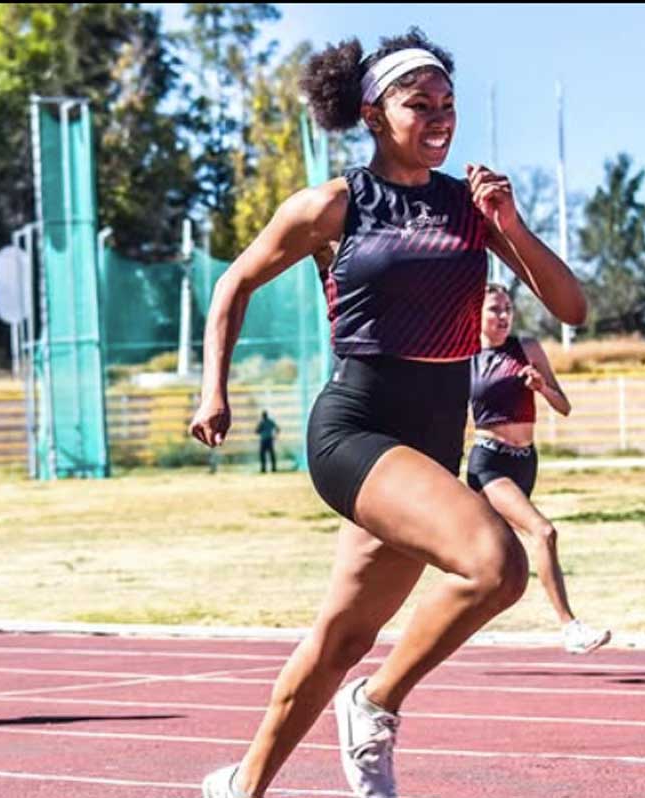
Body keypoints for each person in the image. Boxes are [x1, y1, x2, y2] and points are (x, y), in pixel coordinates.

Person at [191, 28, 586, 798]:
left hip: (432, 443)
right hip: (357, 430)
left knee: (342, 636)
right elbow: (233, 283)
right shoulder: (335, 204)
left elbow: (569, 304)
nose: (439, 118)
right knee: (497, 565)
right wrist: (215, 388)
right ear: (373, 113)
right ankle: (374, 704)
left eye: (448, 104)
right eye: (419, 104)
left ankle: (242, 786)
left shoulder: (470, 208)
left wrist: (508, 223)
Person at [469, 284, 610, 654]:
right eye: (494, 310)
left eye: (507, 309)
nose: (502, 317)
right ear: (476, 315)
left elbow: (563, 406)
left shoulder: (527, 347)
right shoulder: (463, 358)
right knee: (543, 533)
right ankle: (571, 628)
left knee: (494, 564)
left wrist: (542, 387)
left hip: (526, 462)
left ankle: (449, 625)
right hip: (488, 462)